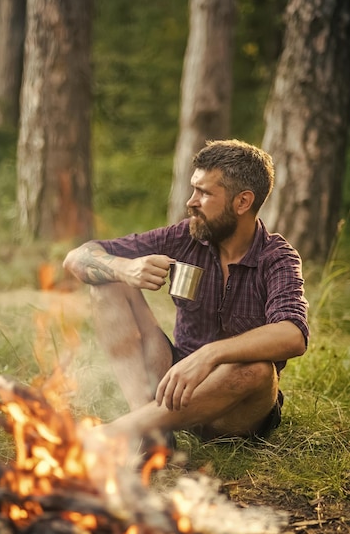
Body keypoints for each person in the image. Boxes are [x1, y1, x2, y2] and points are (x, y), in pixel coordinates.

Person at [63, 139, 309, 451]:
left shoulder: (277, 257)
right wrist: (124, 269)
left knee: (260, 370)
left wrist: (211, 355)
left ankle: (127, 428)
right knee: (108, 283)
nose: (191, 202)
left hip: (234, 411)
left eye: (204, 193)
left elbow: (293, 335)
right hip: (173, 386)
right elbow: (77, 258)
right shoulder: (186, 236)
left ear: (243, 202)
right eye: (193, 189)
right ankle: (152, 434)